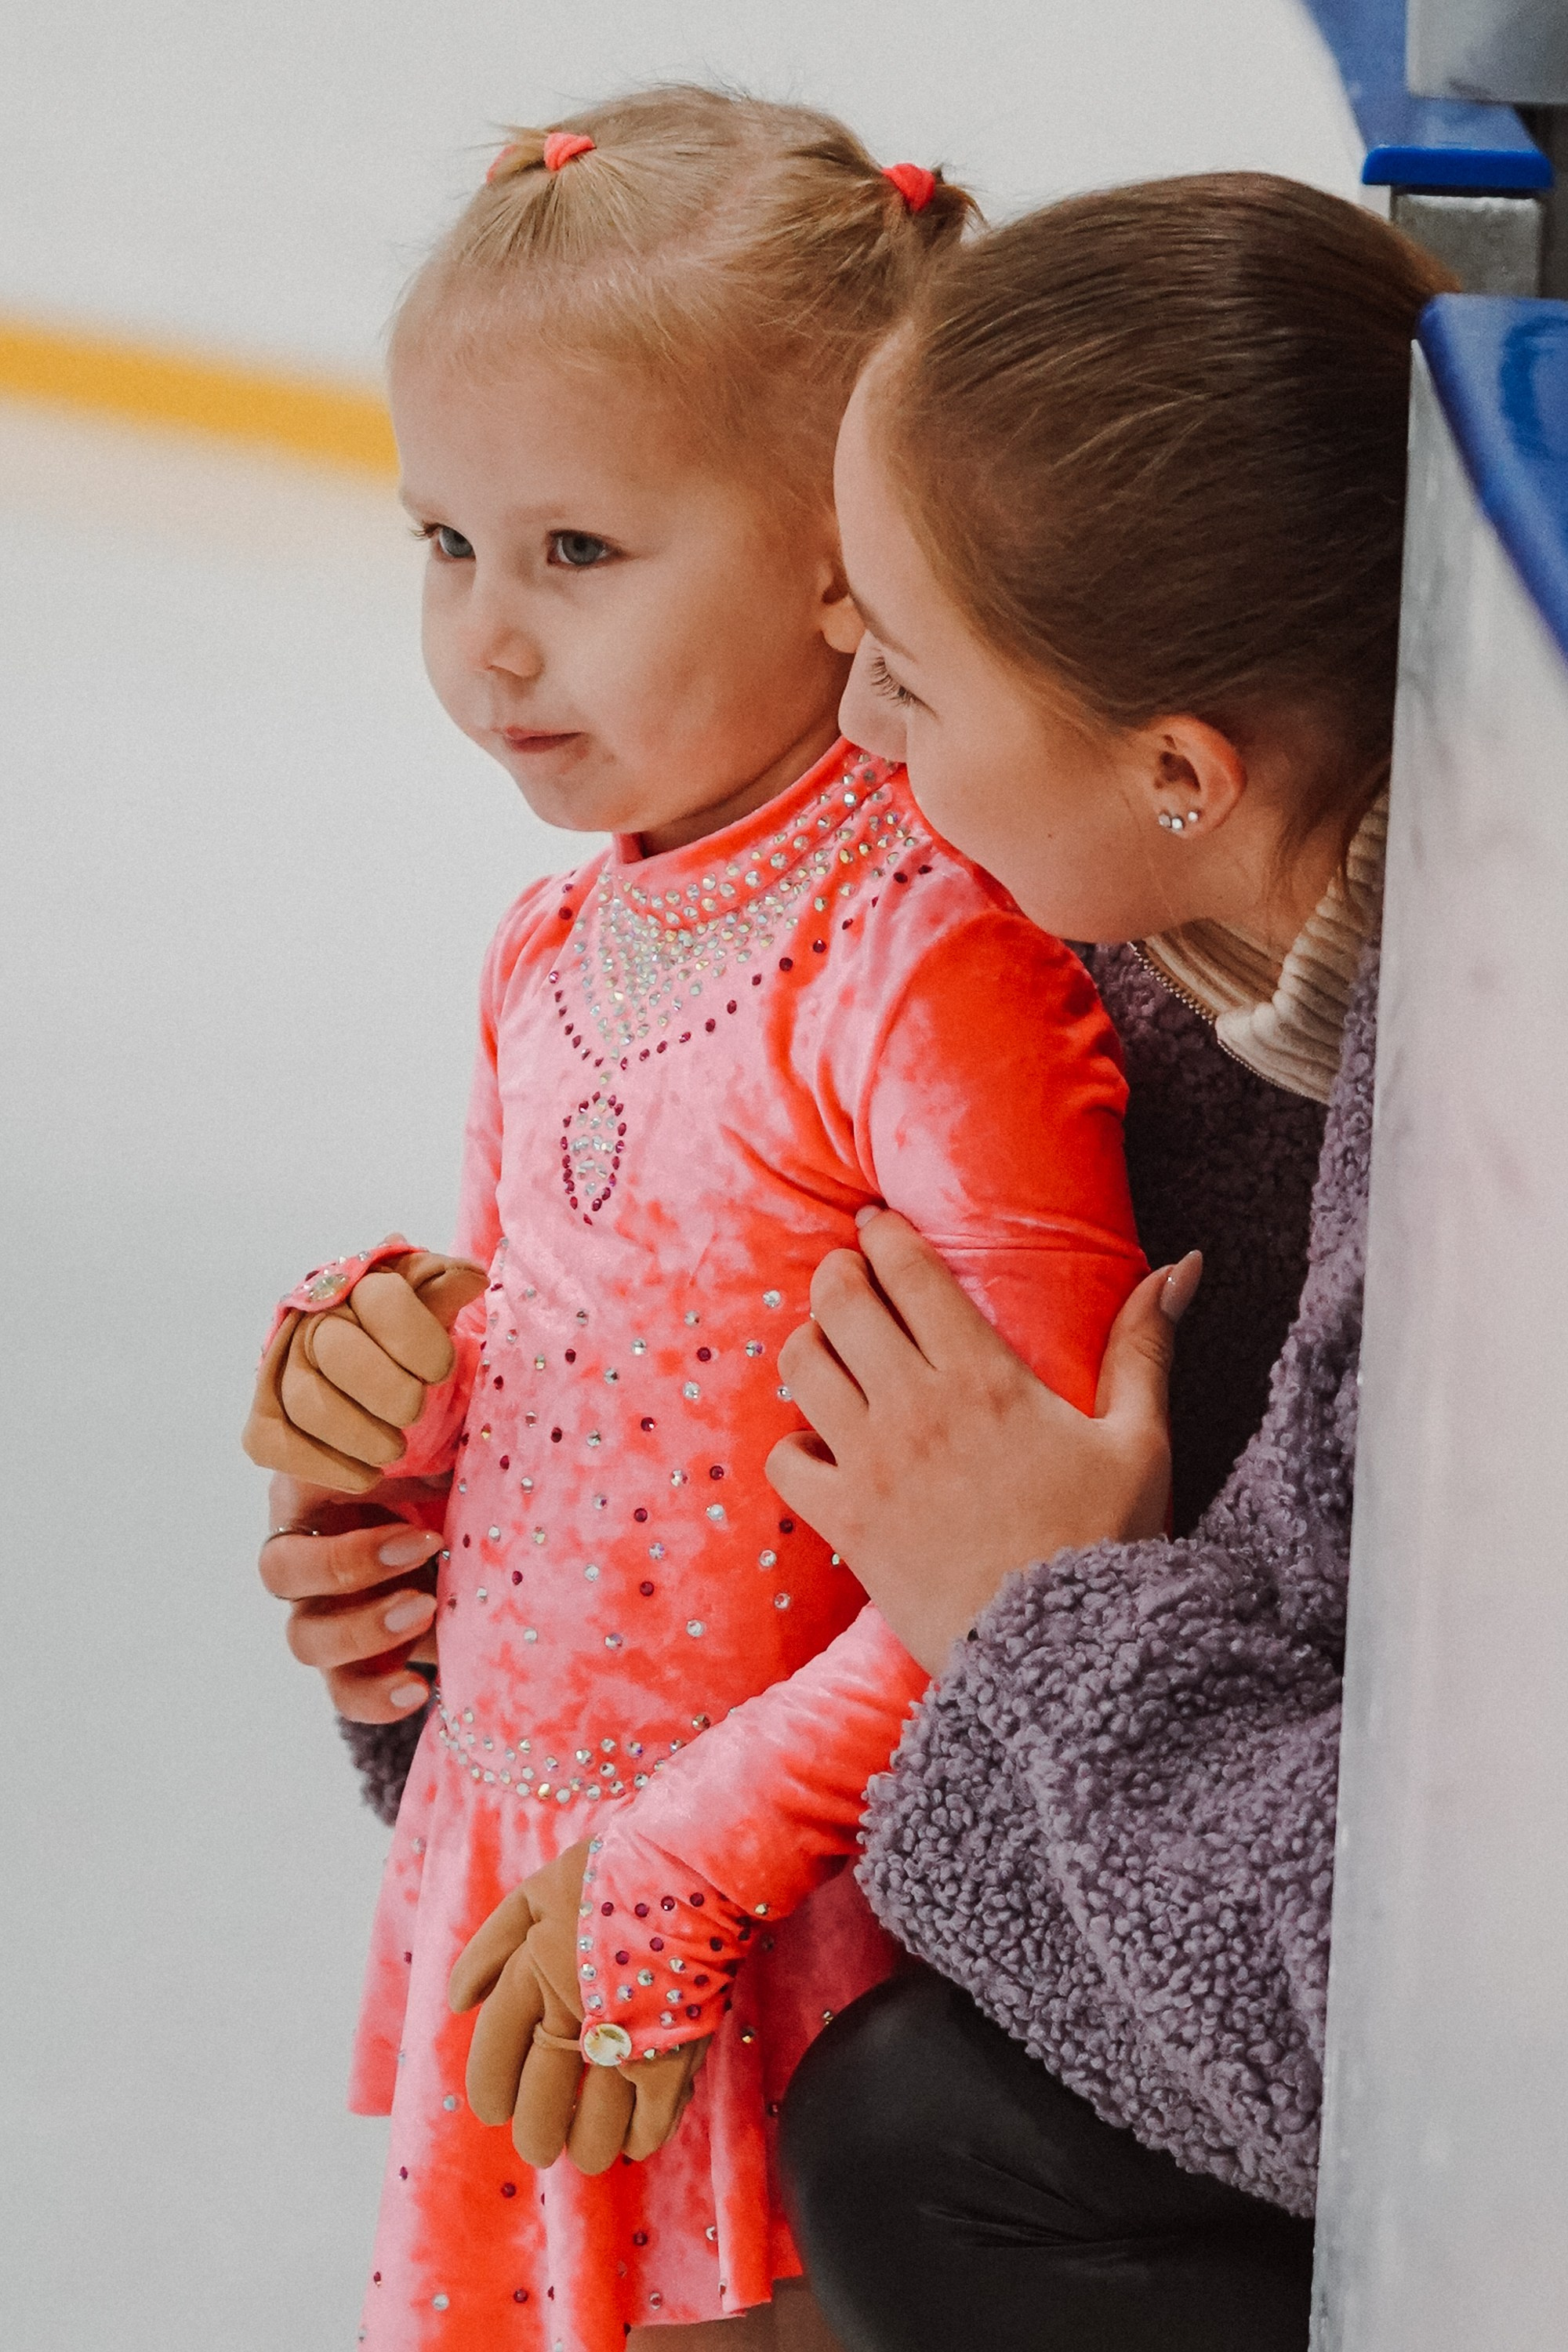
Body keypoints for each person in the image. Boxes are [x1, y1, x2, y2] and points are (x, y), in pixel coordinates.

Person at [245, 89, 1150, 2352]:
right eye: (442, 542)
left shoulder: (932, 964)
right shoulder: (556, 947)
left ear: (842, 553)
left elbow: (1021, 1550)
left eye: (577, 553)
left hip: (785, 1922)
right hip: (532, 1872)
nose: (487, 647)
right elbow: (553, 1381)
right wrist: (385, 1399)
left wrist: (696, 1871)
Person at [765, 176, 1451, 2351]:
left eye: (903, 669)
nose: (855, 734)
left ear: (1180, 769)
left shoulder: (1496, 1162)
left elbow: (1403, 2060)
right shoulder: (1197, 971)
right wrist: (466, 1536)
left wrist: (1026, 1614)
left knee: (922, 2135)